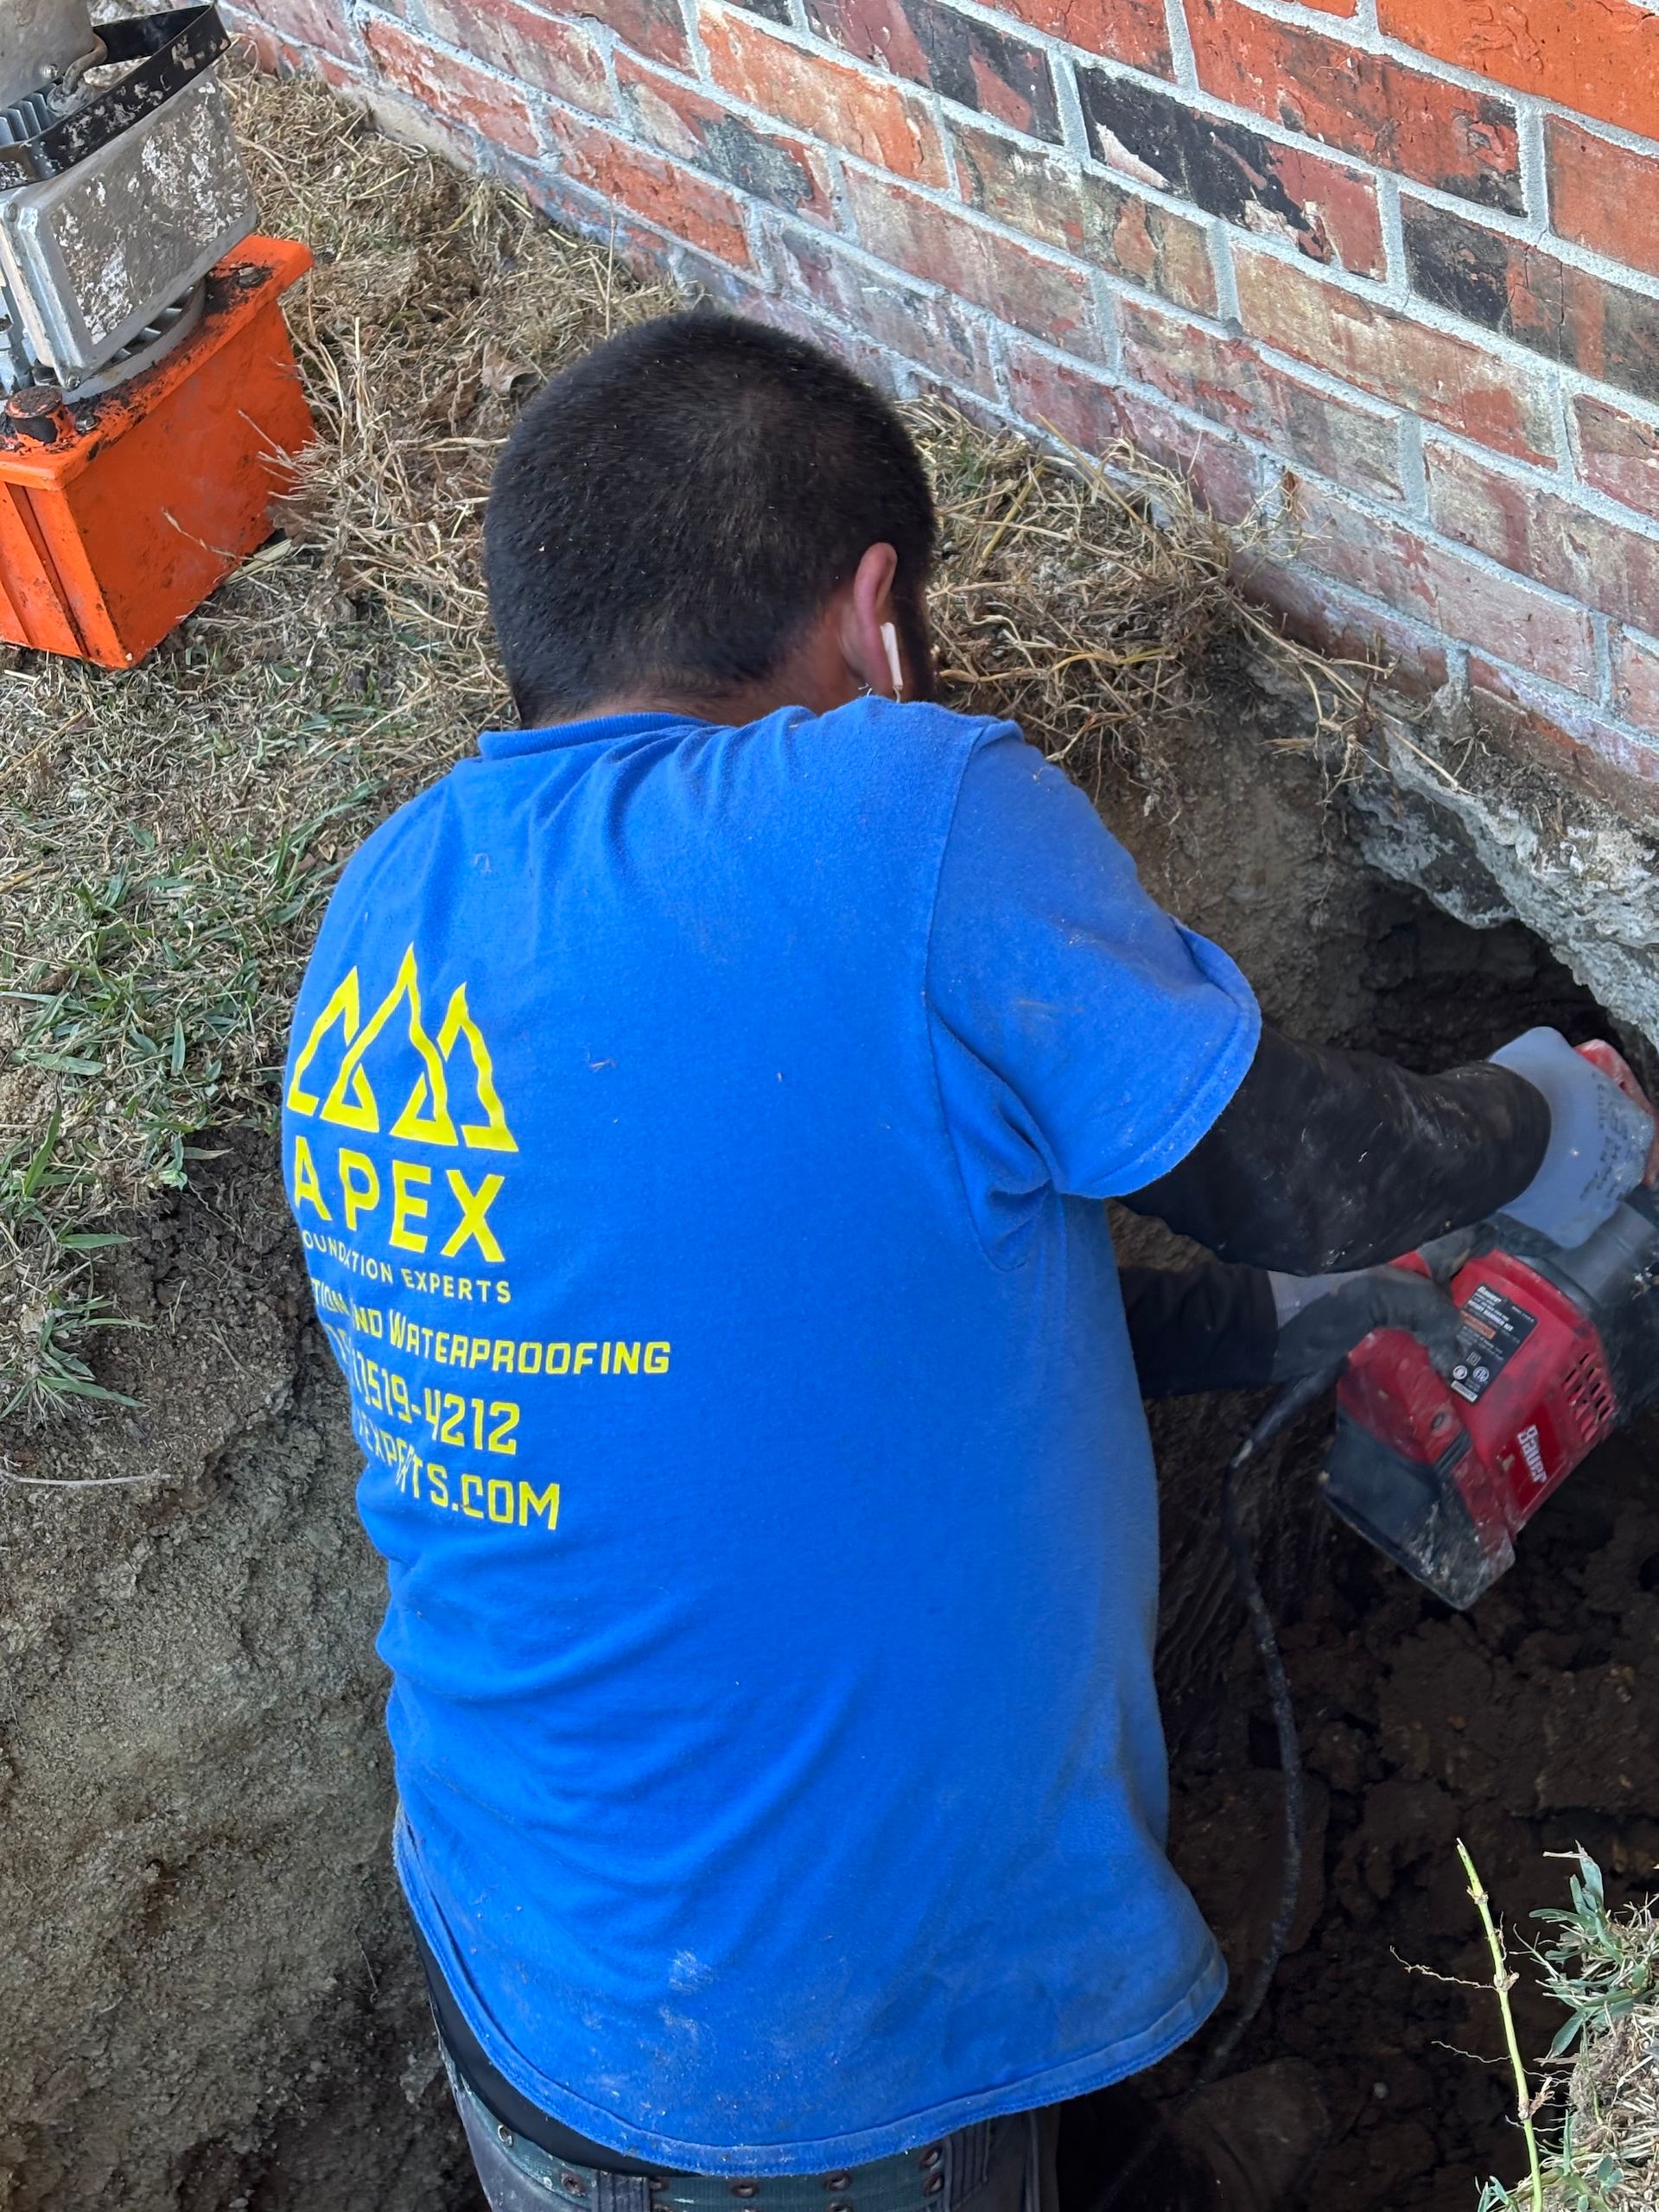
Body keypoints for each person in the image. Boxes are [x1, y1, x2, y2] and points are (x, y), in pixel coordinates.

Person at [280, 312, 1653, 2212]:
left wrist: (1281, 1326)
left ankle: (1136, 2150)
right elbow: (1318, 1165)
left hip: (531, 1972)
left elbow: (796, 1330)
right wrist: (1553, 1117)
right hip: (835, 2061)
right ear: (876, 612)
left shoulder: (392, 902)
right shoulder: (895, 802)